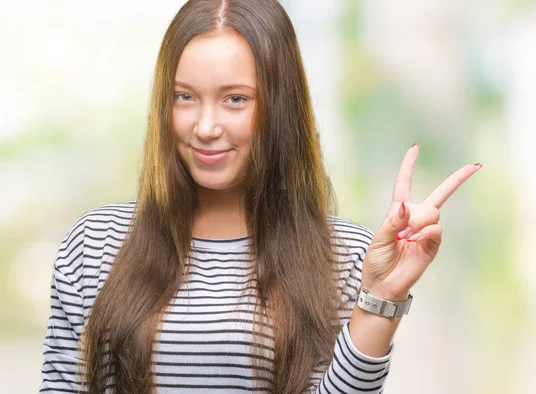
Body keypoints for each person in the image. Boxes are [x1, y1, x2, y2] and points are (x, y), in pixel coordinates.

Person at [39, 0, 481, 393]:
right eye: (185, 97)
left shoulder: (346, 254)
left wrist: (381, 293)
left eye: (235, 99)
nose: (206, 126)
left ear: (279, 106)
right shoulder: (95, 241)